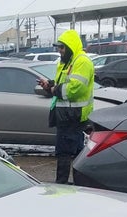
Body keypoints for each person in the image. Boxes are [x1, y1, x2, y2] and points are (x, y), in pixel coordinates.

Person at [37, 30, 95, 184]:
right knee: (75, 153)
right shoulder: (68, 62)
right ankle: (79, 185)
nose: (59, 50)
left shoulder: (81, 61)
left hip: (72, 117)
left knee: (65, 153)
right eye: (58, 47)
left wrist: (53, 89)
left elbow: (74, 89)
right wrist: (49, 85)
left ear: (70, 46)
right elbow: (62, 85)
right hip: (68, 116)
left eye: (62, 47)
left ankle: (62, 185)